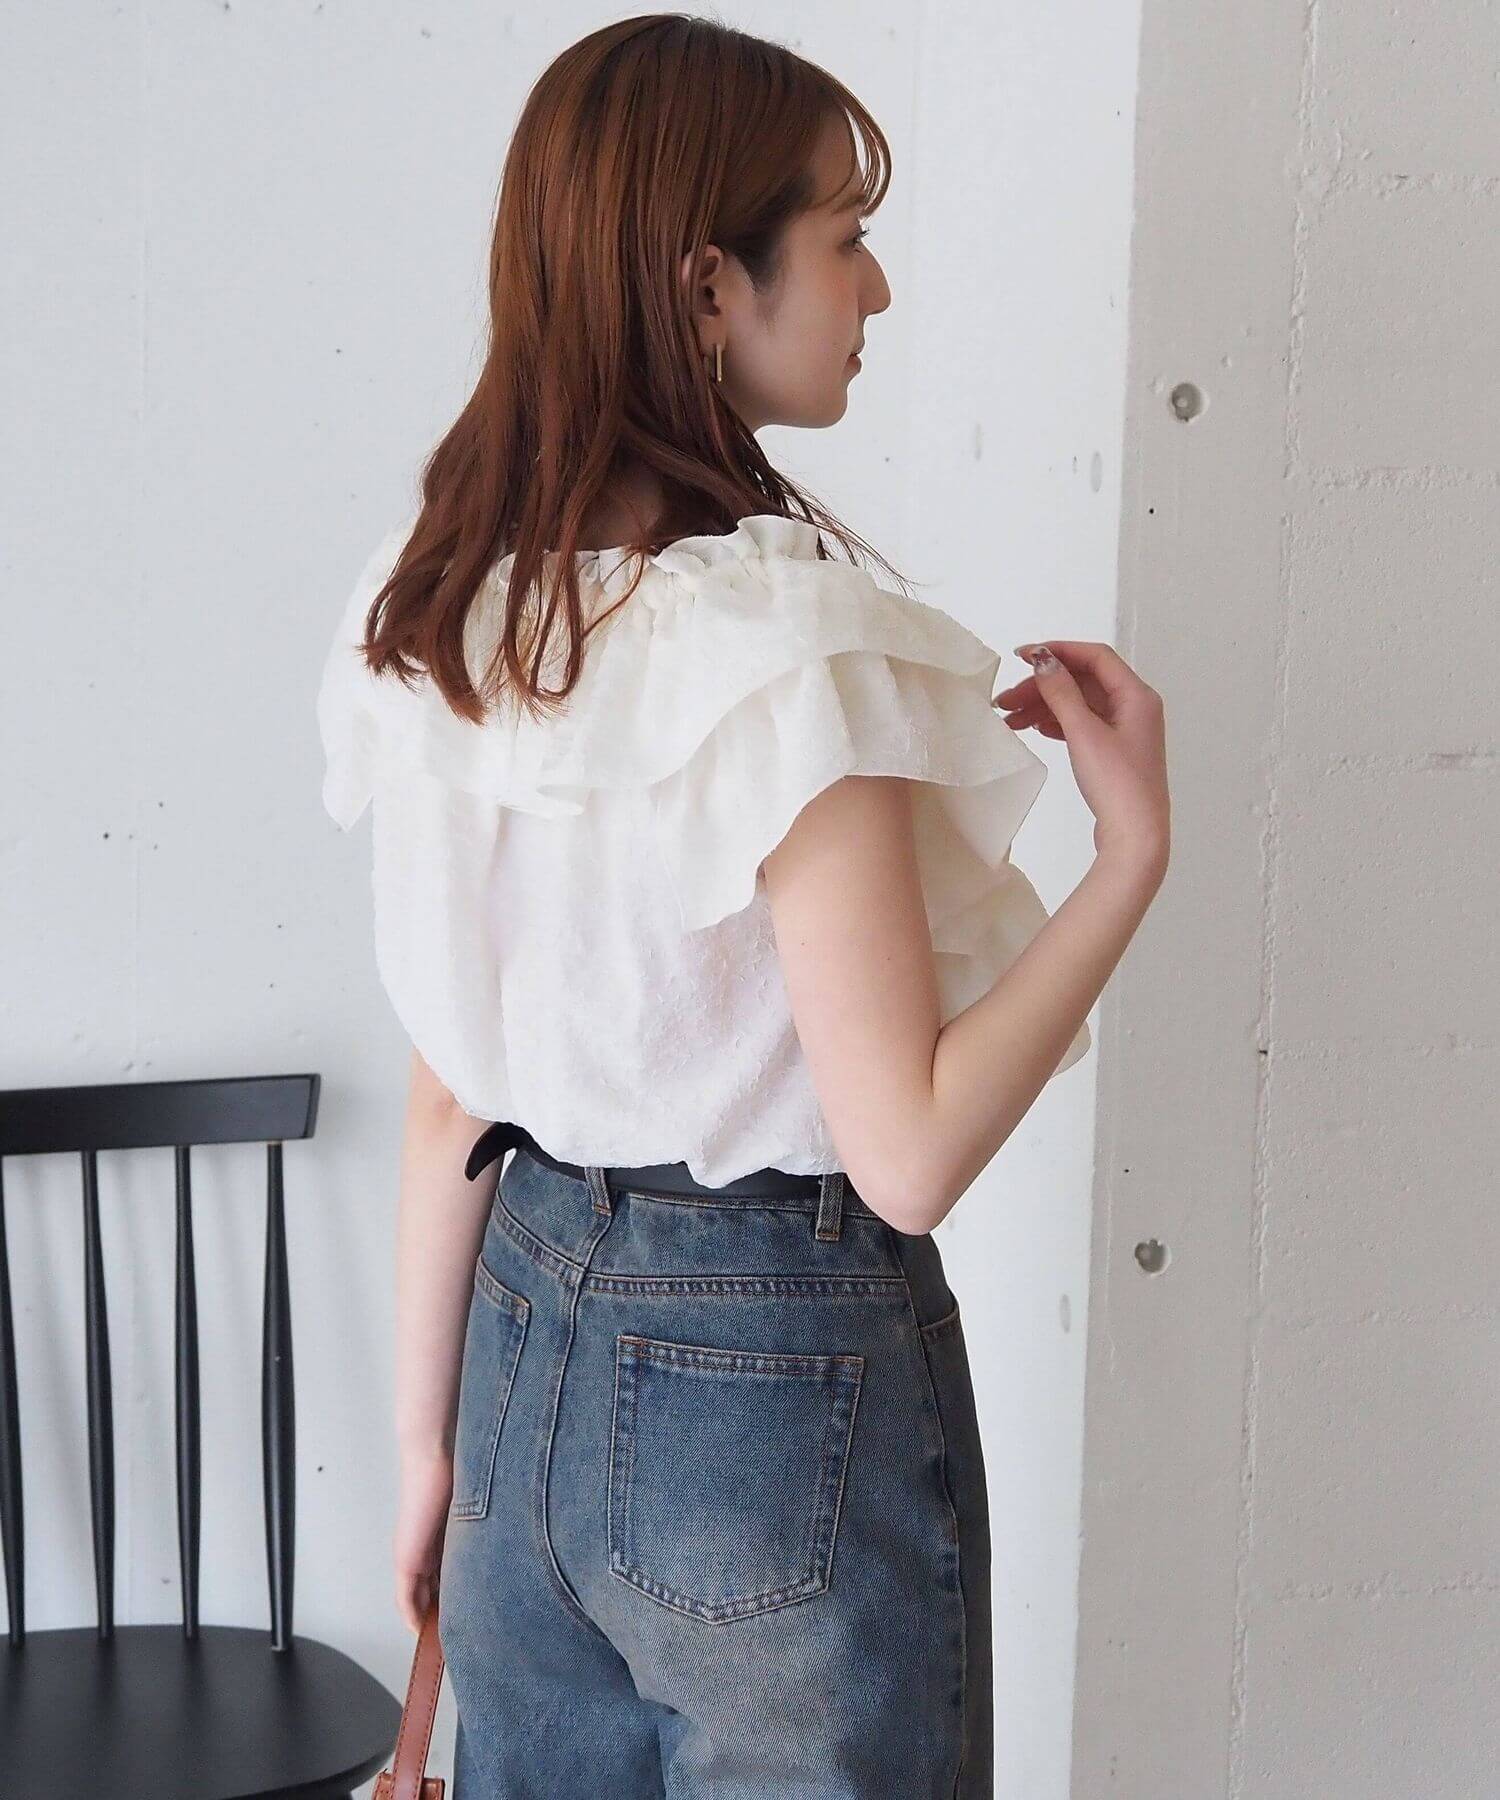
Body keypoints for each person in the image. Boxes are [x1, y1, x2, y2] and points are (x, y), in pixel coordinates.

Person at [316, 16, 1169, 1797]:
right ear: (712, 285)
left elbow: (453, 1091)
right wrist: (1130, 858)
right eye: (846, 239)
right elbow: (907, 1155)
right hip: (770, 1383)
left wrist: (427, 1454)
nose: (878, 289)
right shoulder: (780, 649)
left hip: (520, 1363)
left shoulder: (454, 615)